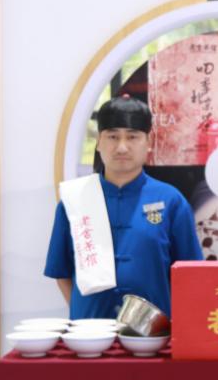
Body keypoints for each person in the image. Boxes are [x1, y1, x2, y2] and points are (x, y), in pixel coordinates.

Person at [44, 95, 202, 319]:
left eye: (132, 136)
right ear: (98, 141)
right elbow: (62, 272)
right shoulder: (74, 200)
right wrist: (83, 316)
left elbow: (190, 274)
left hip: (153, 333)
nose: (122, 147)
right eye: (112, 136)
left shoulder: (171, 201)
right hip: (89, 333)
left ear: (149, 141)